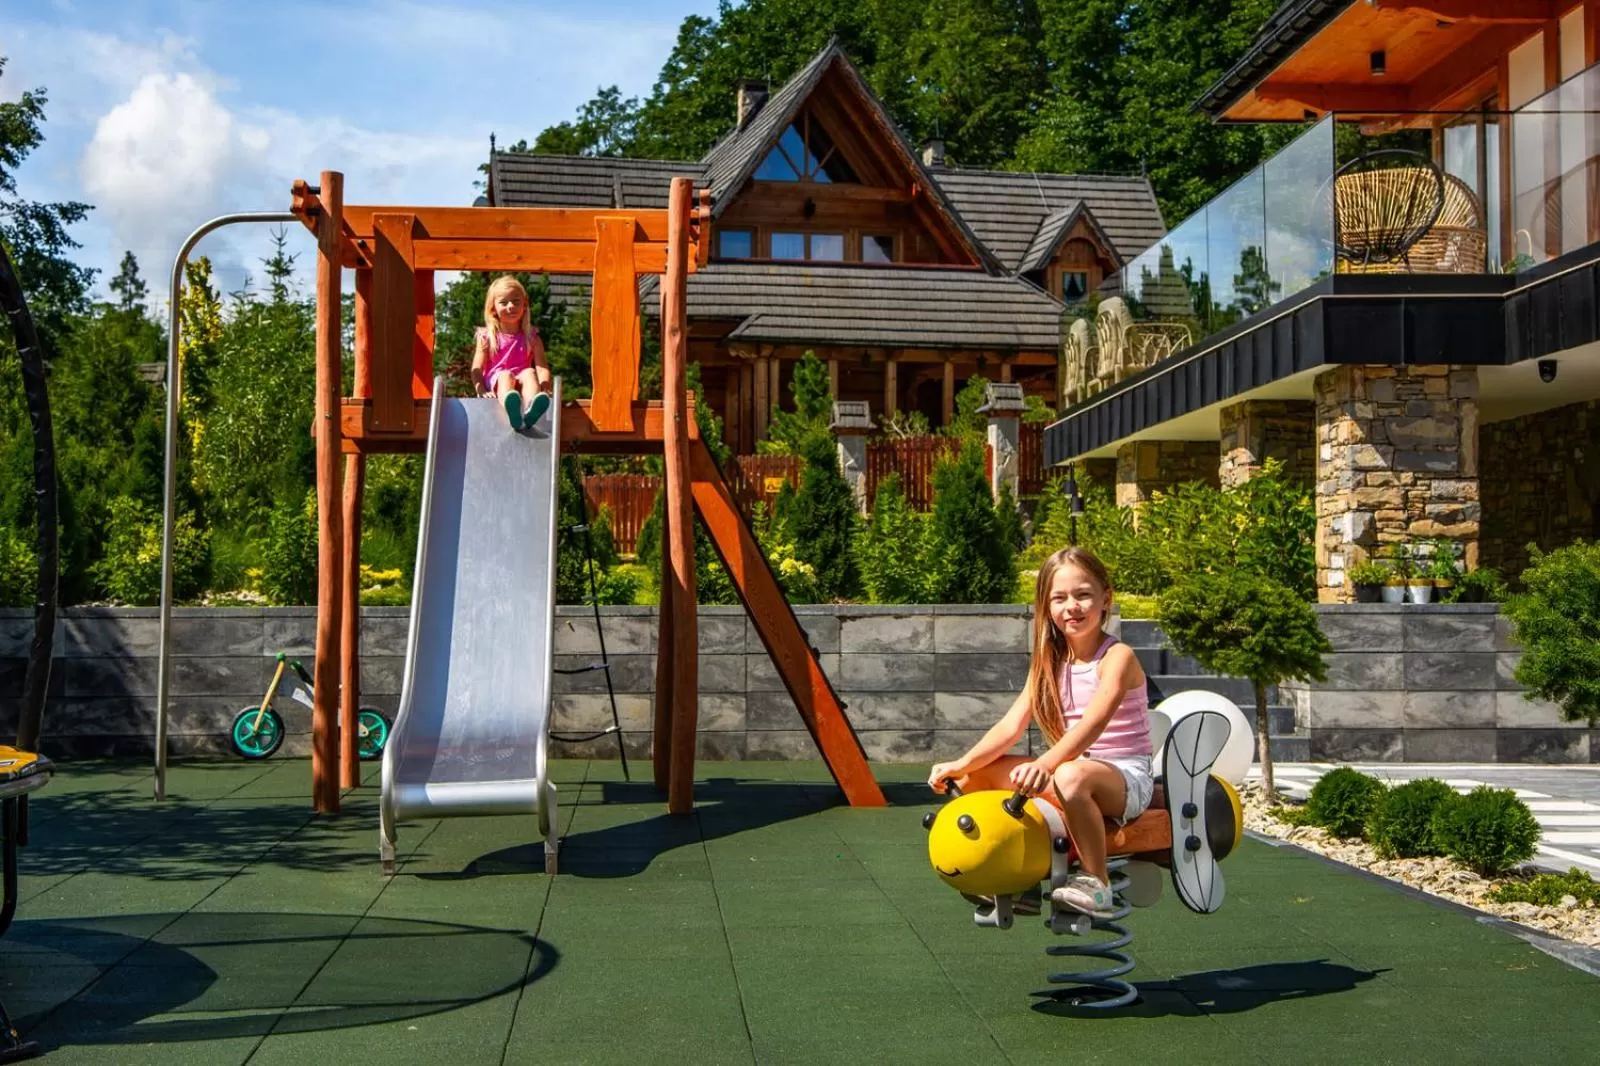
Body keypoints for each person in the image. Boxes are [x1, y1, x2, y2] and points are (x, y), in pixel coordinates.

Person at [928, 546, 1154, 918]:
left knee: (1069, 775)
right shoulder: (1048, 661)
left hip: (1125, 778)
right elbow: (1010, 726)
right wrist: (962, 763)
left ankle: (1098, 884)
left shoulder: (1118, 657)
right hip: (1071, 769)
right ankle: (1019, 880)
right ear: (1046, 607)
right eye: (1059, 598)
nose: (1072, 607)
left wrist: (1045, 765)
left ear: (1105, 599)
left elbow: (1092, 725)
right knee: (976, 777)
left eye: (1083, 595)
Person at [472, 275, 552, 431]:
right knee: (505, 375)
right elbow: (477, 367)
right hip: (497, 380)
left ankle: (531, 409)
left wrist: (545, 387)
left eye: (516, 302)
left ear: (524, 305)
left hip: (521, 380)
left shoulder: (531, 337)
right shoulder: (487, 336)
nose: (511, 306)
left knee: (529, 372)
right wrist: (481, 390)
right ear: (493, 308)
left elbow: (542, 367)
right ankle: (511, 409)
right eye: (504, 303)